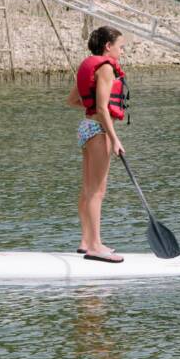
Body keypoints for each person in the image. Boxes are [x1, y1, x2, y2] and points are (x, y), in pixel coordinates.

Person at [68, 25, 129, 263]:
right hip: (99, 131)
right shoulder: (105, 68)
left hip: (86, 128)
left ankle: (87, 241)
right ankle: (95, 246)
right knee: (97, 191)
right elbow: (103, 109)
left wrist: (91, 105)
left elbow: (73, 100)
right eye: (120, 47)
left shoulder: (90, 67)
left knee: (88, 189)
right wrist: (114, 138)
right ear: (108, 46)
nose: (122, 52)